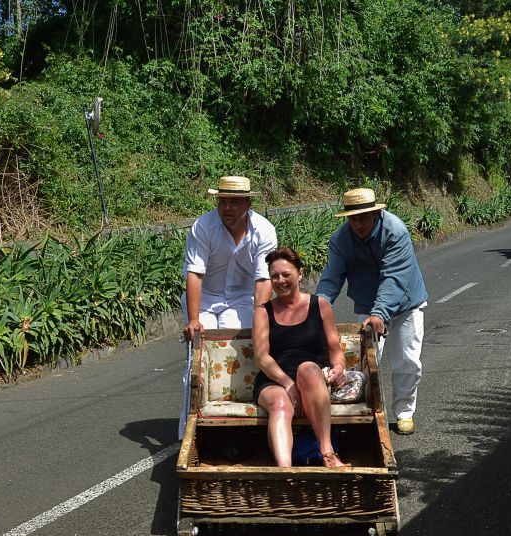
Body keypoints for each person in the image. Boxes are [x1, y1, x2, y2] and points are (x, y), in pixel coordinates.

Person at [316, 188, 429, 435]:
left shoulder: (395, 231)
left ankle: (404, 413)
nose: (358, 224)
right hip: (368, 307)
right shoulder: (341, 240)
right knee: (363, 364)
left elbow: (394, 278)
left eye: (363, 217)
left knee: (407, 362)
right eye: (353, 218)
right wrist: (315, 308)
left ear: (376, 214)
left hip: (406, 305)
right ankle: (366, 415)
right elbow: (331, 279)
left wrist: (380, 313)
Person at [178, 176, 278, 439]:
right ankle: (190, 434)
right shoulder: (204, 226)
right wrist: (193, 318)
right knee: (198, 361)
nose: (228, 208)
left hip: (242, 299)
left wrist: (262, 319)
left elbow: (263, 280)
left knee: (242, 356)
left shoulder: (264, 230)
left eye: (235, 202)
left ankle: (240, 428)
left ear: (248, 203)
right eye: (223, 201)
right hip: (206, 298)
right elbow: (195, 273)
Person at [253, 247, 348, 468]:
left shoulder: (320, 305)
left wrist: (339, 367)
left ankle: (327, 452)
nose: (280, 281)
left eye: (286, 274)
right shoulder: (263, 312)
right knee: (279, 403)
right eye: (274, 276)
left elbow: (334, 347)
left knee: (307, 368)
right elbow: (261, 357)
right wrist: (287, 384)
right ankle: (285, 470)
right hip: (274, 379)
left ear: (300, 273)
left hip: (311, 376)